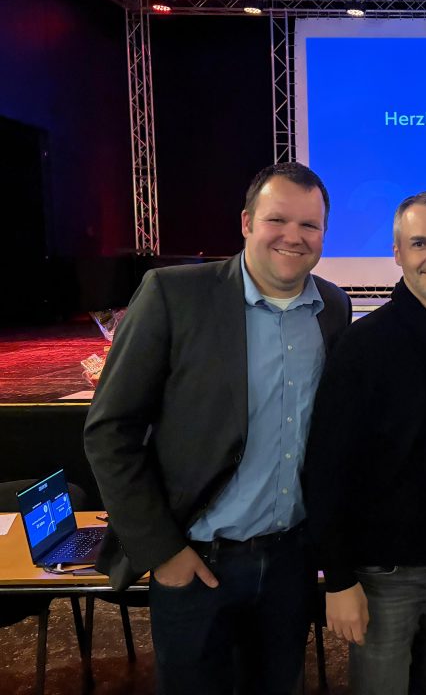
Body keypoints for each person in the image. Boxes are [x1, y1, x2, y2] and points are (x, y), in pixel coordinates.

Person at [84, 162, 352, 694]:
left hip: (289, 565)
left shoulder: (332, 307)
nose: (294, 236)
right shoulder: (173, 295)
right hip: (198, 565)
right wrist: (163, 553)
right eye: (278, 220)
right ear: (247, 222)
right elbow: (110, 430)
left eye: (310, 225)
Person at [304, 191, 426, 694]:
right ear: (398, 252)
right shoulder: (362, 344)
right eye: (421, 243)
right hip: (382, 575)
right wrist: (339, 579)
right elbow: (325, 467)